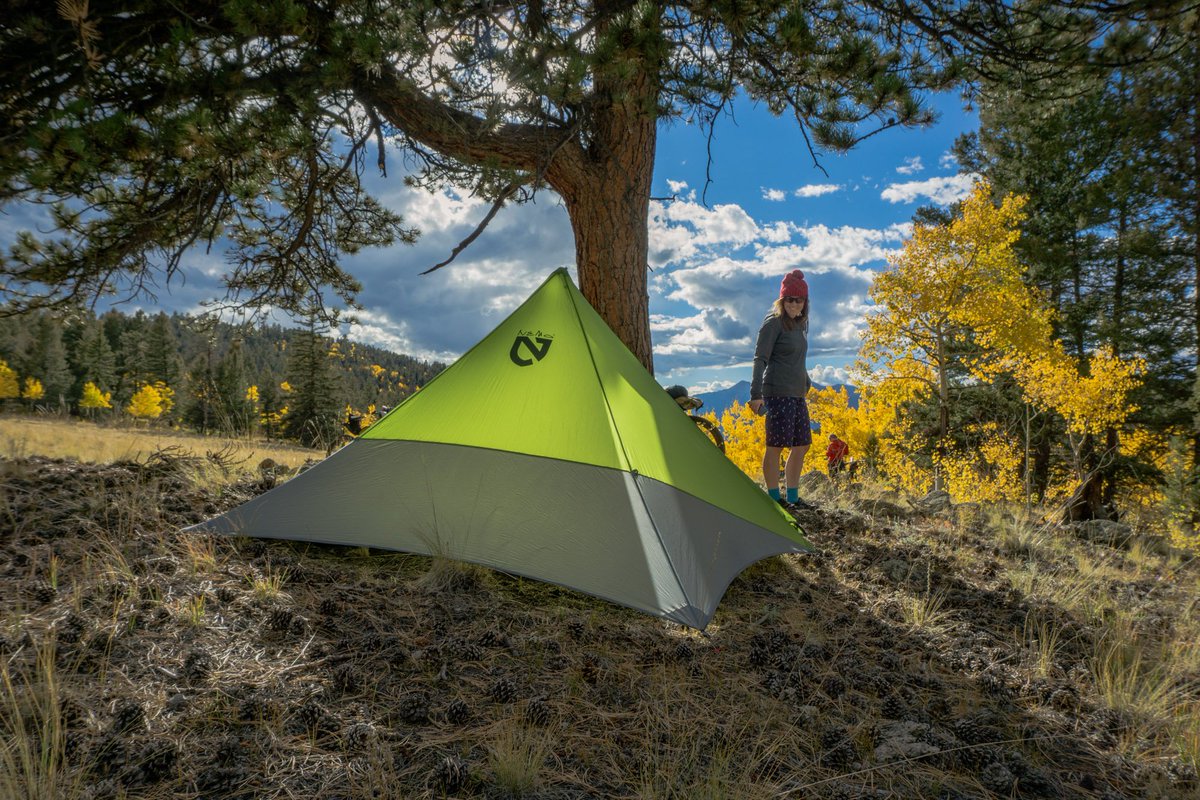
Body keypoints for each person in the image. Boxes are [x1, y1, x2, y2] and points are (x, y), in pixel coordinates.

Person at [749, 270, 815, 511]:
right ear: (782, 300)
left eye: (799, 299)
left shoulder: (800, 325)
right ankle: (775, 499)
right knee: (775, 446)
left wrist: (806, 381)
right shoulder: (773, 323)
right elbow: (760, 359)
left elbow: (796, 358)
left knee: (801, 445)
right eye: (789, 299)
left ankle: (794, 497)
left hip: (797, 394)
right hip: (777, 393)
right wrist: (755, 394)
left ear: (805, 302)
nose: (794, 304)